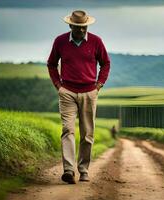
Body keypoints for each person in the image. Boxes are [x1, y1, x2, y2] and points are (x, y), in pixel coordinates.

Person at [47, 10, 110, 184]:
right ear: (70, 25)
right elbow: (51, 64)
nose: (82, 30)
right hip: (67, 92)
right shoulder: (60, 41)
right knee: (68, 130)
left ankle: (83, 170)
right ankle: (68, 170)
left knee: (87, 134)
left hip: (90, 92)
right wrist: (58, 86)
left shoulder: (96, 41)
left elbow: (105, 63)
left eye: (84, 27)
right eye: (78, 27)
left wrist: (98, 85)